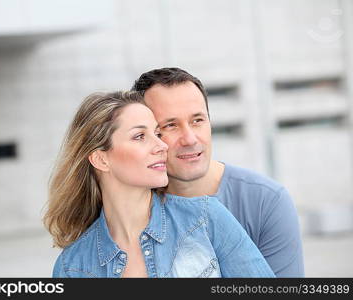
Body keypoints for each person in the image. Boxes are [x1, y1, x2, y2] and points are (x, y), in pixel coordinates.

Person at [44, 91, 275, 278]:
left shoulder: (205, 219)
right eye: (140, 137)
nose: (162, 146)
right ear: (101, 159)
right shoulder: (72, 267)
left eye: (157, 133)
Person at [131, 67, 304, 277]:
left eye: (197, 121)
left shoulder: (265, 201)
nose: (190, 139)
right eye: (170, 125)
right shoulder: (129, 207)